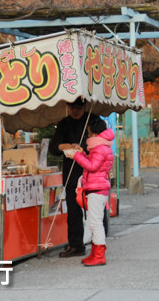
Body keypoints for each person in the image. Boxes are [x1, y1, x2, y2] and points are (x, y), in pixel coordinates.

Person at [63, 115, 114, 267]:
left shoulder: (99, 148)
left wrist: (76, 156)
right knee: (94, 221)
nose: (87, 134)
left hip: (97, 188)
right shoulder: (101, 147)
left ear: (94, 132)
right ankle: (95, 252)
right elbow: (93, 163)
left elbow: (92, 167)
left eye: (89, 132)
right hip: (97, 187)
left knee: (95, 222)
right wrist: (83, 154)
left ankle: (99, 254)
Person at [49, 98, 92, 258]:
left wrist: (82, 146)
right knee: (73, 210)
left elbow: (102, 141)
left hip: (91, 170)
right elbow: (54, 147)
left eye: (79, 107)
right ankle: (76, 245)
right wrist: (67, 146)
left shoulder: (92, 119)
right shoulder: (64, 123)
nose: (75, 111)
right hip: (71, 173)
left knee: (95, 208)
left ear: (85, 106)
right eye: (72, 107)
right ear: (67, 106)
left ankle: (98, 243)